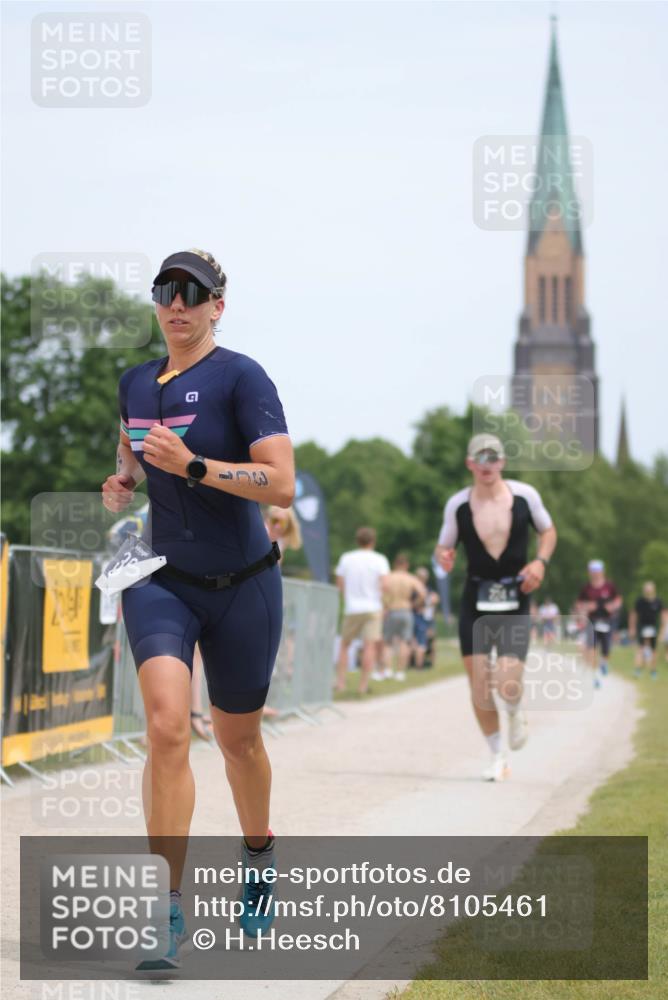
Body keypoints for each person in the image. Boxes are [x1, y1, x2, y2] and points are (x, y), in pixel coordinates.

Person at [101, 248, 294, 969]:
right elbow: (130, 441)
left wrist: (196, 467)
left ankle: (259, 856)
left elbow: (280, 484)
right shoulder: (134, 382)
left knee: (239, 742)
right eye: (165, 291)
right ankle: (166, 909)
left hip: (245, 584)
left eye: (194, 292)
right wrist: (122, 478)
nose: (177, 304)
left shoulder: (242, 377)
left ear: (219, 304)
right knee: (166, 730)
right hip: (162, 578)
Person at [435, 433, 557, 782]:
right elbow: (442, 547)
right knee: (479, 684)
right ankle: (496, 755)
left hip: (516, 596)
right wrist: (443, 557)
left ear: (502, 462)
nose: (487, 464)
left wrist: (540, 563)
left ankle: (515, 708)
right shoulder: (458, 504)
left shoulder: (525, 496)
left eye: (493, 457)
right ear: (470, 464)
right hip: (475, 598)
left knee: (505, 681)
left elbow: (548, 532)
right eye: (480, 458)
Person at [334, 527, 390, 695]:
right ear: (373, 541)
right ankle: (363, 686)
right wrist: (382, 602)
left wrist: (348, 597)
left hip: (352, 607)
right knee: (369, 646)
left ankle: (341, 683)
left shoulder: (346, 558)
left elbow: (340, 583)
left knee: (344, 646)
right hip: (372, 607)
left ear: (357, 540)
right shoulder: (379, 559)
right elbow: (385, 585)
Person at [576, 560, 622, 688]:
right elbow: (579, 604)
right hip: (592, 621)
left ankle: (604, 663)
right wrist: (587, 607)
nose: (595, 574)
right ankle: (595, 677)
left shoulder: (609, 586)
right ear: (589, 572)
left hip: (607, 621)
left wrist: (613, 606)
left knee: (606, 649)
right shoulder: (586, 588)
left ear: (602, 571)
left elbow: (618, 600)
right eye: (593, 571)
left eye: (598, 571)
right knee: (591, 649)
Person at [382, 554, 427, 681]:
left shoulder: (389, 577)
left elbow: (381, 591)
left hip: (392, 610)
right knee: (404, 642)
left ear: (395, 564)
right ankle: (400, 672)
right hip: (406, 610)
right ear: (406, 565)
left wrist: (386, 604)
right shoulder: (410, 578)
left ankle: (388, 670)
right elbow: (423, 593)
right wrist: (415, 604)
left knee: (388, 642)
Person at [629, 582, 665, 678]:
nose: (648, 591)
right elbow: (633, 615)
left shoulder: (658, 601)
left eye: (650, 589)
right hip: (642, 627)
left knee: (654, 650)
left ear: (653, 590)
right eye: (646, 589)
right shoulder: (639, 602)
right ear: (644, 590)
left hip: (654, 627)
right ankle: (637, 669)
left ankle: (653, 671)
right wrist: (632, 628)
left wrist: (662, 631)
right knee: (640, 649)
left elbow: (663, 616)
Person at [412, 567, 439, 669]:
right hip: (420, 617)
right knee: (420, 642)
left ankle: (422, 665)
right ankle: (418, 664)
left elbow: (435, 600)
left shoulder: (426, 589)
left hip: (424, 618)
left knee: (424, 641)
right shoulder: (418, 589)